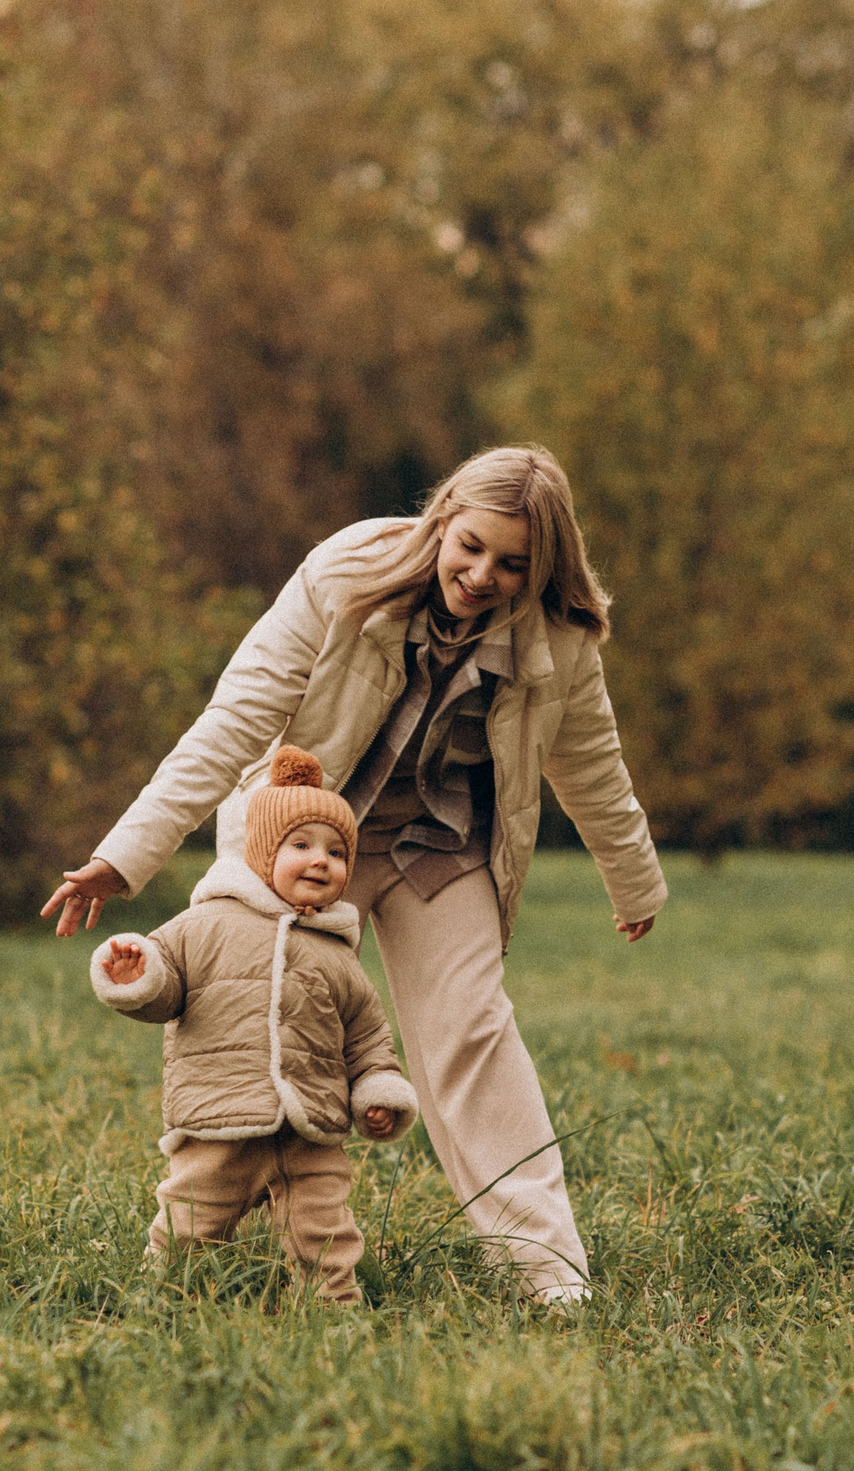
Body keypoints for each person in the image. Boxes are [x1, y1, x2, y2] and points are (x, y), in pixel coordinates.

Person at [45, 445, 666, 1303]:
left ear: (544, 567)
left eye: (513, 564)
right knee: (250, 1021)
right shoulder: (344, 574)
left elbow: (593, 763)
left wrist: (633, 879)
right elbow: (235, 719)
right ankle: (218, 1223)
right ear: (442, 519)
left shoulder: (558, 638)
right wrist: (124, 854)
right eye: (471, 547)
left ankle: (546, 1271)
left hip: (439, 845)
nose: (483, 574)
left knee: (472, 1032)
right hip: (302, 840)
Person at [90, 746, 417, 1305]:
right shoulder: (206, 923)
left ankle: (333, 1308)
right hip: (221, 1115)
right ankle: (163, 1298)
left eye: (337, 853)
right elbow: (166, 990)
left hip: (311, 1125)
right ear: (263, 852)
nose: (321, 861)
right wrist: (137, 976)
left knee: (325, 1229)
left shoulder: (337, 952)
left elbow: (367, 1037)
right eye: (302, 846)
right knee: (191, 1222)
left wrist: (377, 1092)